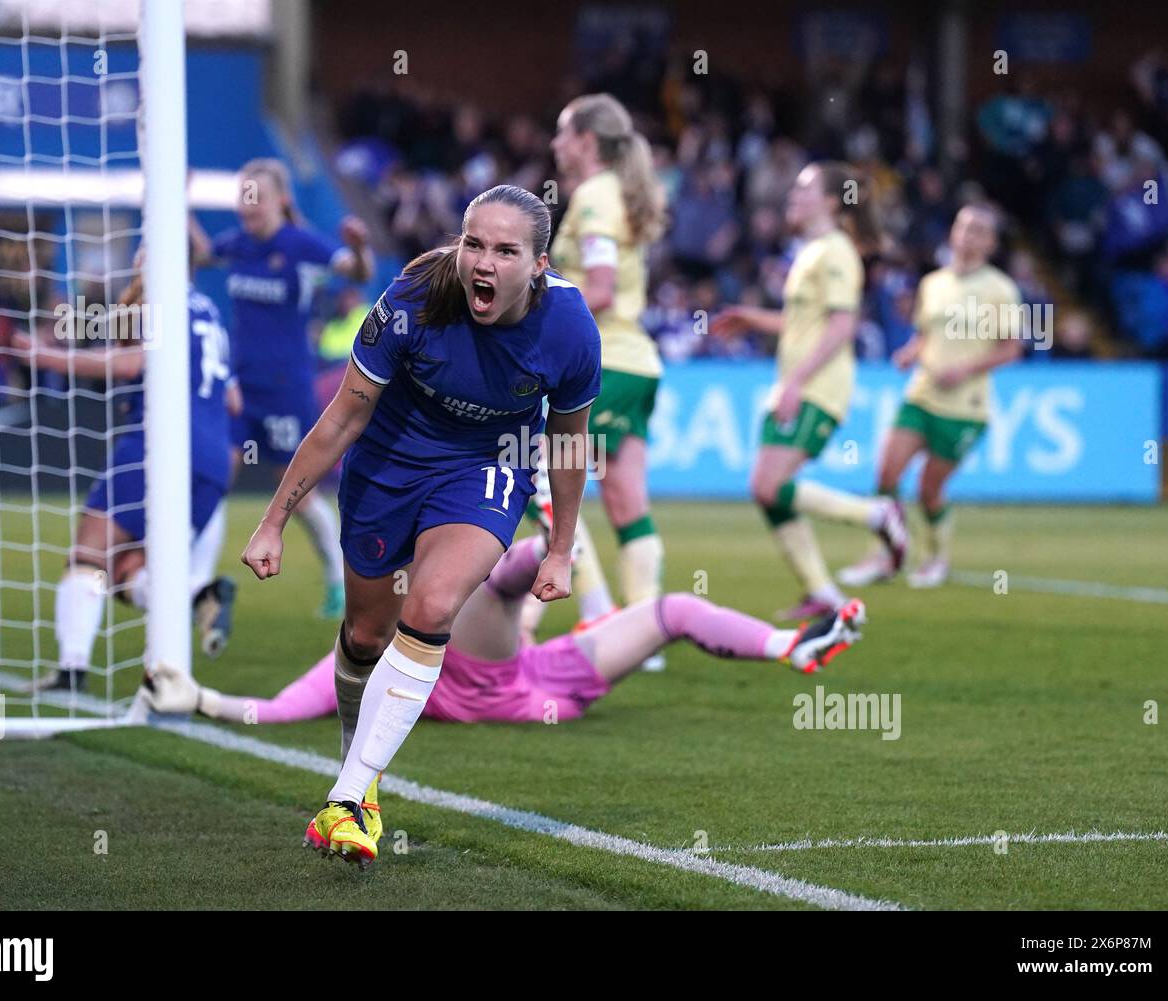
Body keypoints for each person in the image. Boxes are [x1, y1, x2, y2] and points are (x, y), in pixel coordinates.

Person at [235, 184, 602, 869]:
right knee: (366, 632)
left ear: (541, 264)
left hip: (487, 467)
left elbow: (570, 442)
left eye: (504, 250)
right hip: (388, 463)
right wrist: (273, 522)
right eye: (473, 244)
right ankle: (360, 771)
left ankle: (346, 798)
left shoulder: (572, 329)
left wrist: (559, 548)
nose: (482, 264)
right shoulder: (410, 299)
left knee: (431, 606)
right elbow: (343, 417)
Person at [170, 536, 865, 738]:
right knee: (496, 579)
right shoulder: (360, 656)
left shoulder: (355, 654)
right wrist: (199, 698)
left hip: (534, 676)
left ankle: (790, 644)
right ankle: (548, 541)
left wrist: (202, 699)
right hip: (492, 680)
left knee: (675, 610)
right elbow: (286, 709)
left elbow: (277, 708)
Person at [17, 267, 238, 692]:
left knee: (90, 553)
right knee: (128, 569)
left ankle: (71, 669)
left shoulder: (162, 304)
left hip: (159, 445)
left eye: (142, 255)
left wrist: (44, 356)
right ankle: (197, 596)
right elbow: (233, 398)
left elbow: (132, 362)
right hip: (212, 460)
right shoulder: (210, 313)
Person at [711, 162, 906, 620]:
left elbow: (843, 324)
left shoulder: (837, 252)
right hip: (798, 383)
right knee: (765, 490)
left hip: (817, 387)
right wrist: (752, 318)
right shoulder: (813, 250)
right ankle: (823, 593)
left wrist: (796, 383)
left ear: (832, 202)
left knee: (768, 484)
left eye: (803, 189)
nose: (792, 197)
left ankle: (876, 515)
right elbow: (806, 322)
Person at [190, 158, 375, 620]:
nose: (246, 206)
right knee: (215, 477)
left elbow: (356, 271)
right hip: (239, 386)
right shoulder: (240, 244)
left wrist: (361, 248)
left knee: (296, 491)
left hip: (286, 387)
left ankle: (338, 581)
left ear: (282, 200)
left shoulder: (300, 244)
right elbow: (205, 253)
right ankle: (197, 588)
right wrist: (179, 207)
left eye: (255, 196)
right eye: (242, 196)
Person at [839, 203, 1023, 588]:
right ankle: (886, 556)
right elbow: (926, 336)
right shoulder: (933, 284)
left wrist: (965, 370)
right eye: (964, 227)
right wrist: (910, 353)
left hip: (965, 407)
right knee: (885, 474)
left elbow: (1011, 348)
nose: (968, 235)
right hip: (921, 395)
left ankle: (935, 557)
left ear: (990, 243)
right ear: (952, 233)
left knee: (928, 489)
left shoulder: (999, 290)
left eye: (978, 230)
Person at [549, 93, 669, 666]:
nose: (554, 145)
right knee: (626, 502)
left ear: (586, 143)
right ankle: (643, 636)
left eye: (562, 134)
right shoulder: (614, 193)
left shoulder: (594, 196)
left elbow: (598, 289)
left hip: (606, 362)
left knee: (529, 470)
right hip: (636, 361)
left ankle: (599, 613)